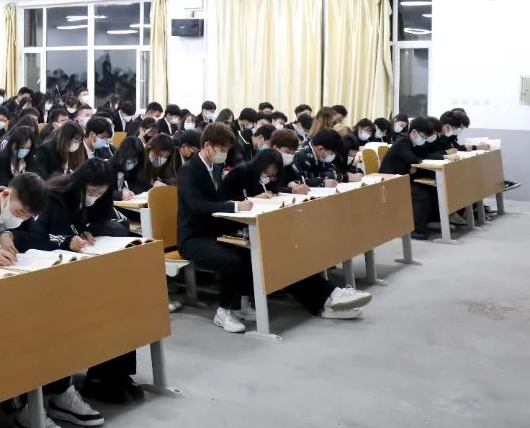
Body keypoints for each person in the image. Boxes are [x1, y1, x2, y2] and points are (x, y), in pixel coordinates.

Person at [176, 123, 372, 335]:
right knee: (232, 260)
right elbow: (195, 205)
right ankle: (224, 311)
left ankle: (324, 298)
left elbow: (220, 200)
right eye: (221, 149)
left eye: (226, 149)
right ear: (207, 145)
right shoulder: (189, 170)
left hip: (218, 228)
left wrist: (240, 204)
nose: (224, 153)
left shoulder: (214, 167)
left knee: (269, 251)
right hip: (194, 237)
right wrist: (234, 206)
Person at [39, 158, 138, 405]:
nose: (95, 196)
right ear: (80, 183)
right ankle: (96, 379)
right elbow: (51, 234)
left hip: (88, 265)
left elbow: (116, 223)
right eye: (92, 191)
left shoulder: (101, 197)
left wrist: (89, 227)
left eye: (101, 192)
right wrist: (72, 236)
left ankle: (115, 373)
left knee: (123, 304)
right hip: (54, 271)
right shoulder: (57, 195)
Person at [379, 116, 446, 240]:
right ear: (414, 132)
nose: (423, 140)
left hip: (402, 178)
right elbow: (414, 159)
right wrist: (413, 164)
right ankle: (415, 229)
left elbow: (421, 157)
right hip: (390, 182)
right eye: (423, 137)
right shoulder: (403, 141)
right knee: (422, 194)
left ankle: (427, 222)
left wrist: (414, 165)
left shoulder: (412, 142)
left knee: (431, 189)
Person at [292, 128, 361, 187]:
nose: (332, 156)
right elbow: (301, 182)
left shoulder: (321, 157)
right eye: (331, 153)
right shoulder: (300, 156)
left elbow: (335, 171)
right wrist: (322, 183)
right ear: (321, 148)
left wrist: (345, 176)